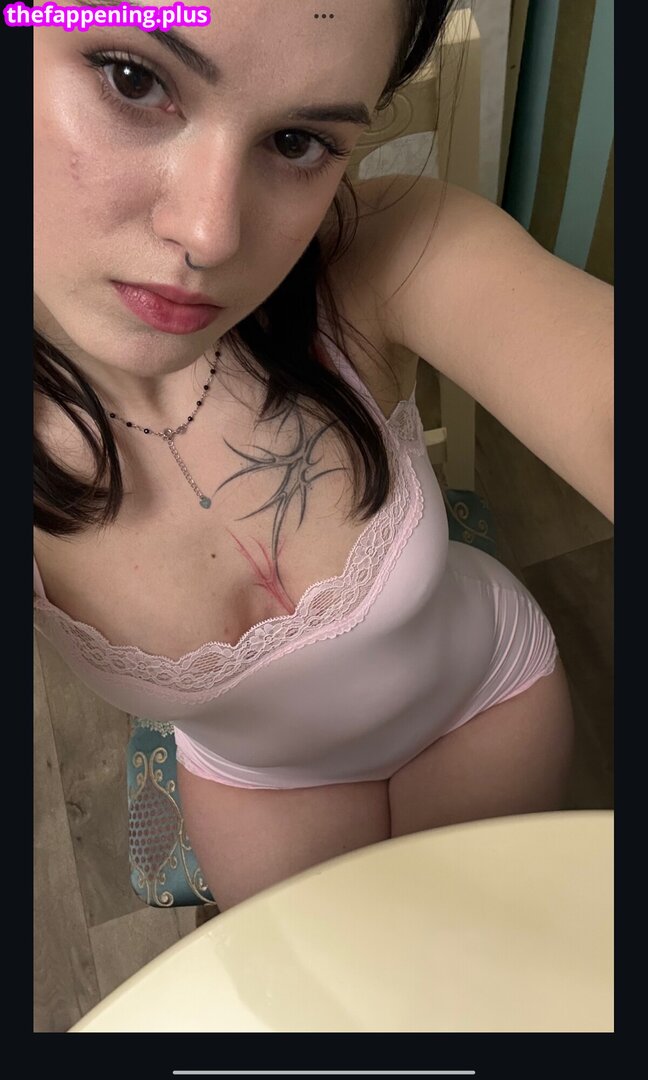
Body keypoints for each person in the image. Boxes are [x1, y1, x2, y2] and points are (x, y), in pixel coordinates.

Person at [33, 0, 613, 914]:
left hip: (484, 702)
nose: (211, 234)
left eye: (298, 141)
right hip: (264, 786)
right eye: (132, 78)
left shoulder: (377, 255)